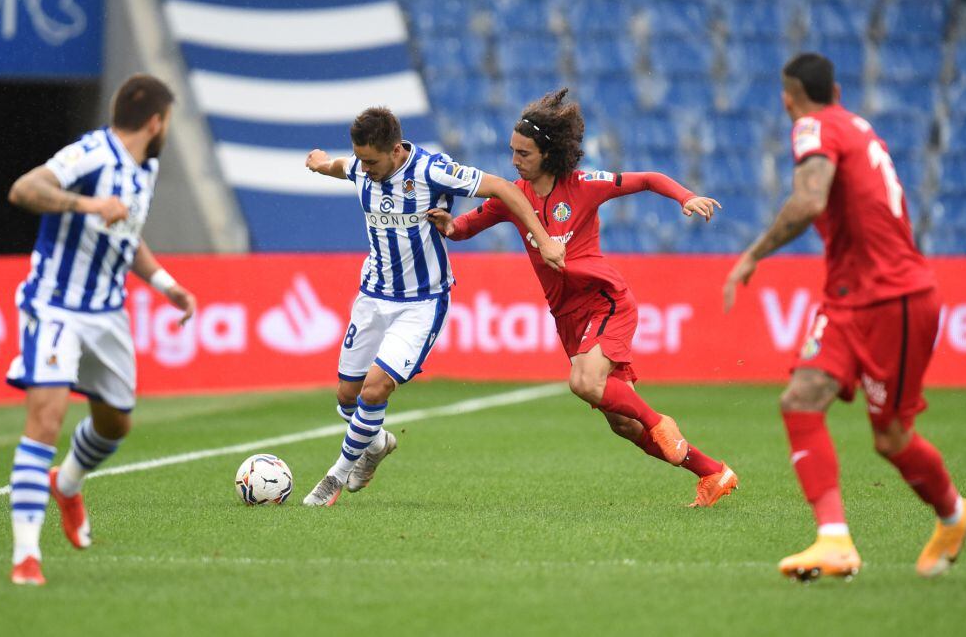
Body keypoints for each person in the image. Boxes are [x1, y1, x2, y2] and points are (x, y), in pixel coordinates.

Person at [724, 53, 966, 581]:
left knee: (890, 437)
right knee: (800, 400)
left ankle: (955, 514)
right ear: (837, 90)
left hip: (896, 298)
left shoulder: (812, 126)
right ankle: (834, 541)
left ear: (787, 99)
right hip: (848, 299)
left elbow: (810, 200)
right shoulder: (855, 124)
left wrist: (754, 254)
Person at [427, 89, 738, 508]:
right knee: (623, 426)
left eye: (524, 154)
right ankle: (713, 472)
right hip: (567, 316)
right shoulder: (511, 197)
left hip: (604, 300)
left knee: (585, 383)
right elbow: (465, 228)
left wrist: (686, 197)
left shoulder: (584, 186)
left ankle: (660, 421)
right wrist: (448, 224)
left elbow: (647, 179)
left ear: (549, 153)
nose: (514, 161)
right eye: (512, 151)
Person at [301, 106, 566, 506]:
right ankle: (374, 445)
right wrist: (322, 165)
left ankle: (335, 477)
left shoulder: (432, 171)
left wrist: (544, 239)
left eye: (372, 160)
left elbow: (504, 189)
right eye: (361, 159)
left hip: (421, 302)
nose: (365, 168)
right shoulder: (361, 167)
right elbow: (345, 167)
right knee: (347, 396)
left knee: (375, 390)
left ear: (395, 151)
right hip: (372, 296)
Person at [4, 74, 196, 585]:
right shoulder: (89, 154)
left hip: (108, 313)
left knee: (115, 425)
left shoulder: (145, 168)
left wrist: (165, 283)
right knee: (45, 420)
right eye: (168, 121)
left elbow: (126, 237)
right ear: (156, 121)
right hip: (55, 306)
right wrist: (89, 203)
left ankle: (66, 484)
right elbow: (25, 189)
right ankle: (26, 556)